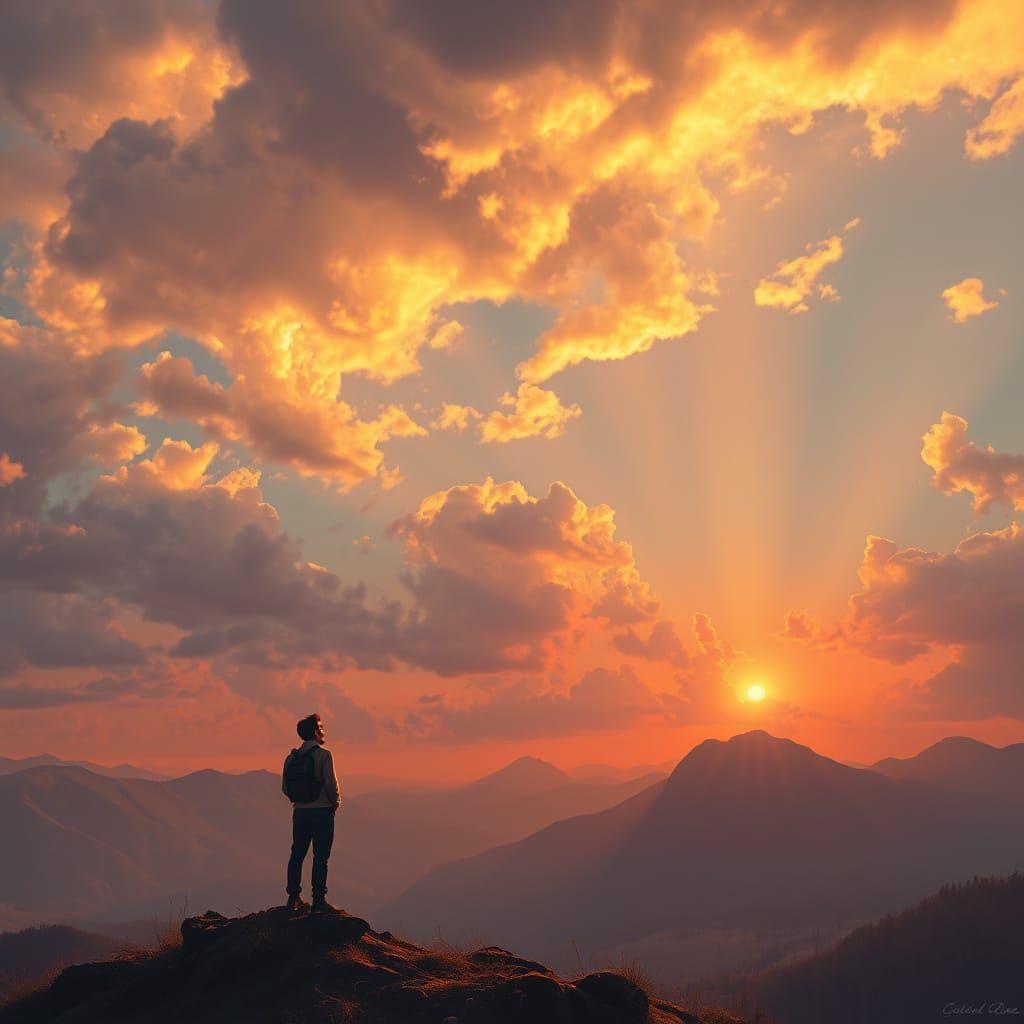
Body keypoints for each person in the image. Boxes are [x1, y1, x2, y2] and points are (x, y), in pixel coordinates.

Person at [282, 713, 341, 914]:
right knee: (320, 857)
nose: (324, 732)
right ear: (316, 732)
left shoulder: (291, 758)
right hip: (322, 812)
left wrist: (300, 802)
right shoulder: (324, 755)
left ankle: (293, 897)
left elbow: (285, 789)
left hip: (299, 813)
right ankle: (318, 901)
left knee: (297, 854)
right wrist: (335, 803)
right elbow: (331, 786)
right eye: (322, 728)